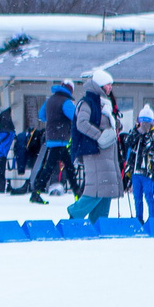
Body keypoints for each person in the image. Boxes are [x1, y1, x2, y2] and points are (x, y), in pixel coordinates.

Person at [64, 69, 124, 224]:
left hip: (106, 153)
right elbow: (81, 123)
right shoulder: (88, 102)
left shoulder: (105, 104)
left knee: (107, 190)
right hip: (94, 152)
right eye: (107, 85)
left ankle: (99, 223)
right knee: (96, 189)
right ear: (99, 86)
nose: (110, 88)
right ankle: (74, 214)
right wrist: (100, 136)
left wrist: (116, 124)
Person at [28, 78, 77, 204]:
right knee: (67, 168)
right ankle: (77, 193)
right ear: (70, 90)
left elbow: (42, 116)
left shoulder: (50, 100)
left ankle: (36, 191)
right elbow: (75, 117)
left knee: (50, 167)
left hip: (51, 138)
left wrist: (53, 119)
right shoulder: (66, 102)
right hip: (61, 139)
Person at [128, 102, 154, 228]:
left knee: (149, 196)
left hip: (148, 171)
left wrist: (146, 135)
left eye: (148, 123)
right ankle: (138, 219)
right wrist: (138, 132)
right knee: (137, 197)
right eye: (143, 123)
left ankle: (152, 219)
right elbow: (129, 143)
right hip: (136, 171)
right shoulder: (135, 132)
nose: (145, 126)